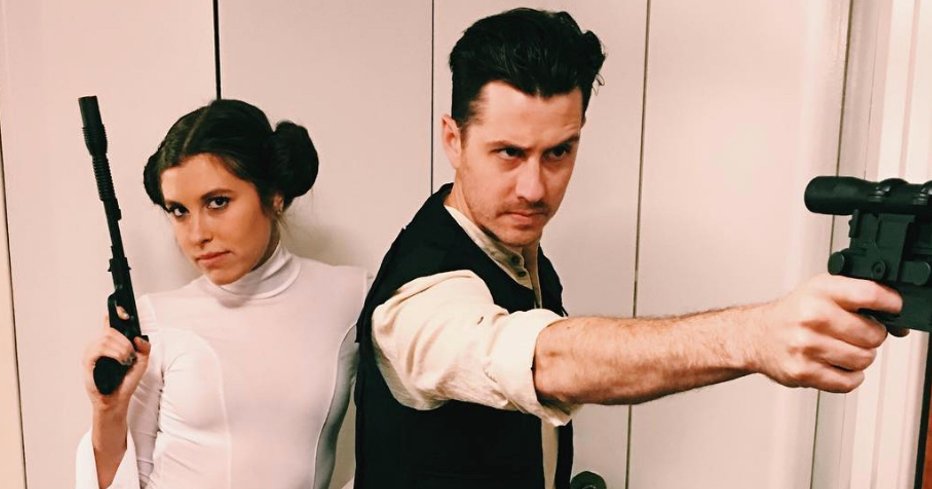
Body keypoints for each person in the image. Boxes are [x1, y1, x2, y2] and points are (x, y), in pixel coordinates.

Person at [352, 8, 907, 489]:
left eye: (558, 152)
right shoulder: (418, 302)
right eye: (508, 153)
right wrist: (754, 336)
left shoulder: (517, 250)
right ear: (454, 139)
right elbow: (546, 359)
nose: (534, 188)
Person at [74, 99, 367, 489]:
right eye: (179, 211)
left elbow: (406, 445)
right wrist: (107, 410)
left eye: (217, 202)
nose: (197, 235)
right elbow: (127, 477)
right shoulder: (155, 319)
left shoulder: (351, 297)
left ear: (274, 195)